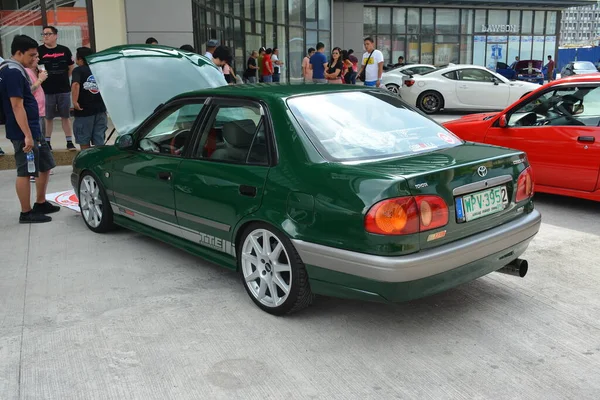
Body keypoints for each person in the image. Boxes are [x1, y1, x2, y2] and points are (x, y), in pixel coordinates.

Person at [0, 35, 60, 223]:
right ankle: (26, 213)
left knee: (45, 164)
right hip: (23, 130)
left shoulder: (18, 69)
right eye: (32, 55)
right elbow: (17, 106)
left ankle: (40, 202)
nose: (36, 59)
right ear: (19, 52)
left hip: (33, 126)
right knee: (25, 171)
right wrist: (27, 135)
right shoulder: (12, 72)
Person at [38, 26, 75, 151]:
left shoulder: (64, 50)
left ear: (55, 35)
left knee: (66, 116)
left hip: (63, 89)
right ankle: (47, 142)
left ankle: (69, 141)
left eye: (48, 34)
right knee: (48, 117)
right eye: (43, 34)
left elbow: (71, 67)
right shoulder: (39, 51)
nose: (45, 36)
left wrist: (63, 77)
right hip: (46, 90)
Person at [71, 47, 108, 150]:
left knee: (84, 141)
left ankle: (86, 163)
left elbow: (75, 84)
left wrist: (74, 101)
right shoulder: (99, 69)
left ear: (80, 59)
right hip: (100, 111)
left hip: (84, 111)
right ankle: (100, 162)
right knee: (99, 141)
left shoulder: (78, 70)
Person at [25, 51, 49, 180]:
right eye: (36, 57)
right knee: (36, 140)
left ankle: (41, 167)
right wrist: (40, 80)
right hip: (35, 112)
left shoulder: (35, 71)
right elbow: (29, 90)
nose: (38, 59)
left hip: (40, 111)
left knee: (40, 140)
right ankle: (33, 170)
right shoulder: (26, 72)